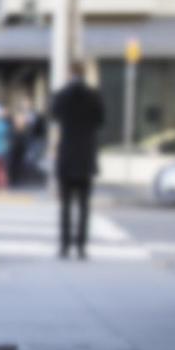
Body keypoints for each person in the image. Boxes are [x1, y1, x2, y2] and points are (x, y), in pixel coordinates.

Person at [51, 62, 105, 259]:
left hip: (67, 156)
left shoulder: (61, 95)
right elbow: (101, 121)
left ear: (69, 73)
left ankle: (64, 246)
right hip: (86, 156)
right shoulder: (94, 96)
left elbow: (54, 116)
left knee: (65, 205)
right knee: (84, 206)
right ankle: (81, 247)